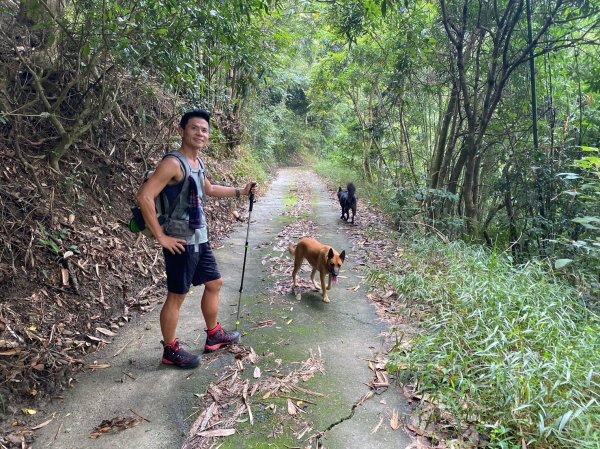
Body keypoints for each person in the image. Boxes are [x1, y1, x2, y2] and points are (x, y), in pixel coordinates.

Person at [136, 110, 258, 369]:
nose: (200, 133)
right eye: (194, 128)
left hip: (199, 238)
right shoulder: (173, 163)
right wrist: (161, 237)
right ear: (182, 131)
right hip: (180, 241)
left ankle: (214, 335)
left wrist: (240, 191)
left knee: (214, 282)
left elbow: (210, 189)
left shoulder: (198, 163)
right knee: (177, 296)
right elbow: (145, 196)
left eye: (204, 130)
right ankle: (170, 350)